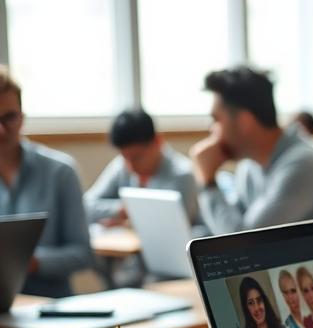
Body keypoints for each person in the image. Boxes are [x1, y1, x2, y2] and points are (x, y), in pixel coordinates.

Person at [191, 66, 313, 234]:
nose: (212, 130)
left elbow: (243, 244)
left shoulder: (303, 166)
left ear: (245, 122)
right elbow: (231, 222)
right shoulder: (250, 166)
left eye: (216, 120)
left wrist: (208, 183)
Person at [0, 66, 93, 297]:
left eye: (9, 117)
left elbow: (83, 254)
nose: (1, 130)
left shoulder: (60, 172)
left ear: (22, 116)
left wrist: (31, 262)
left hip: (51, 308)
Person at [84, 108, 199, 227]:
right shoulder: (121, 166)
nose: (131, 166)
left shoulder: (183, 175)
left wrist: (127, 219)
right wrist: (122, 210)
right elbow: (85, 206)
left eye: (137, 157)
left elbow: (176, 227)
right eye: (125, 157)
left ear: (157, 142)